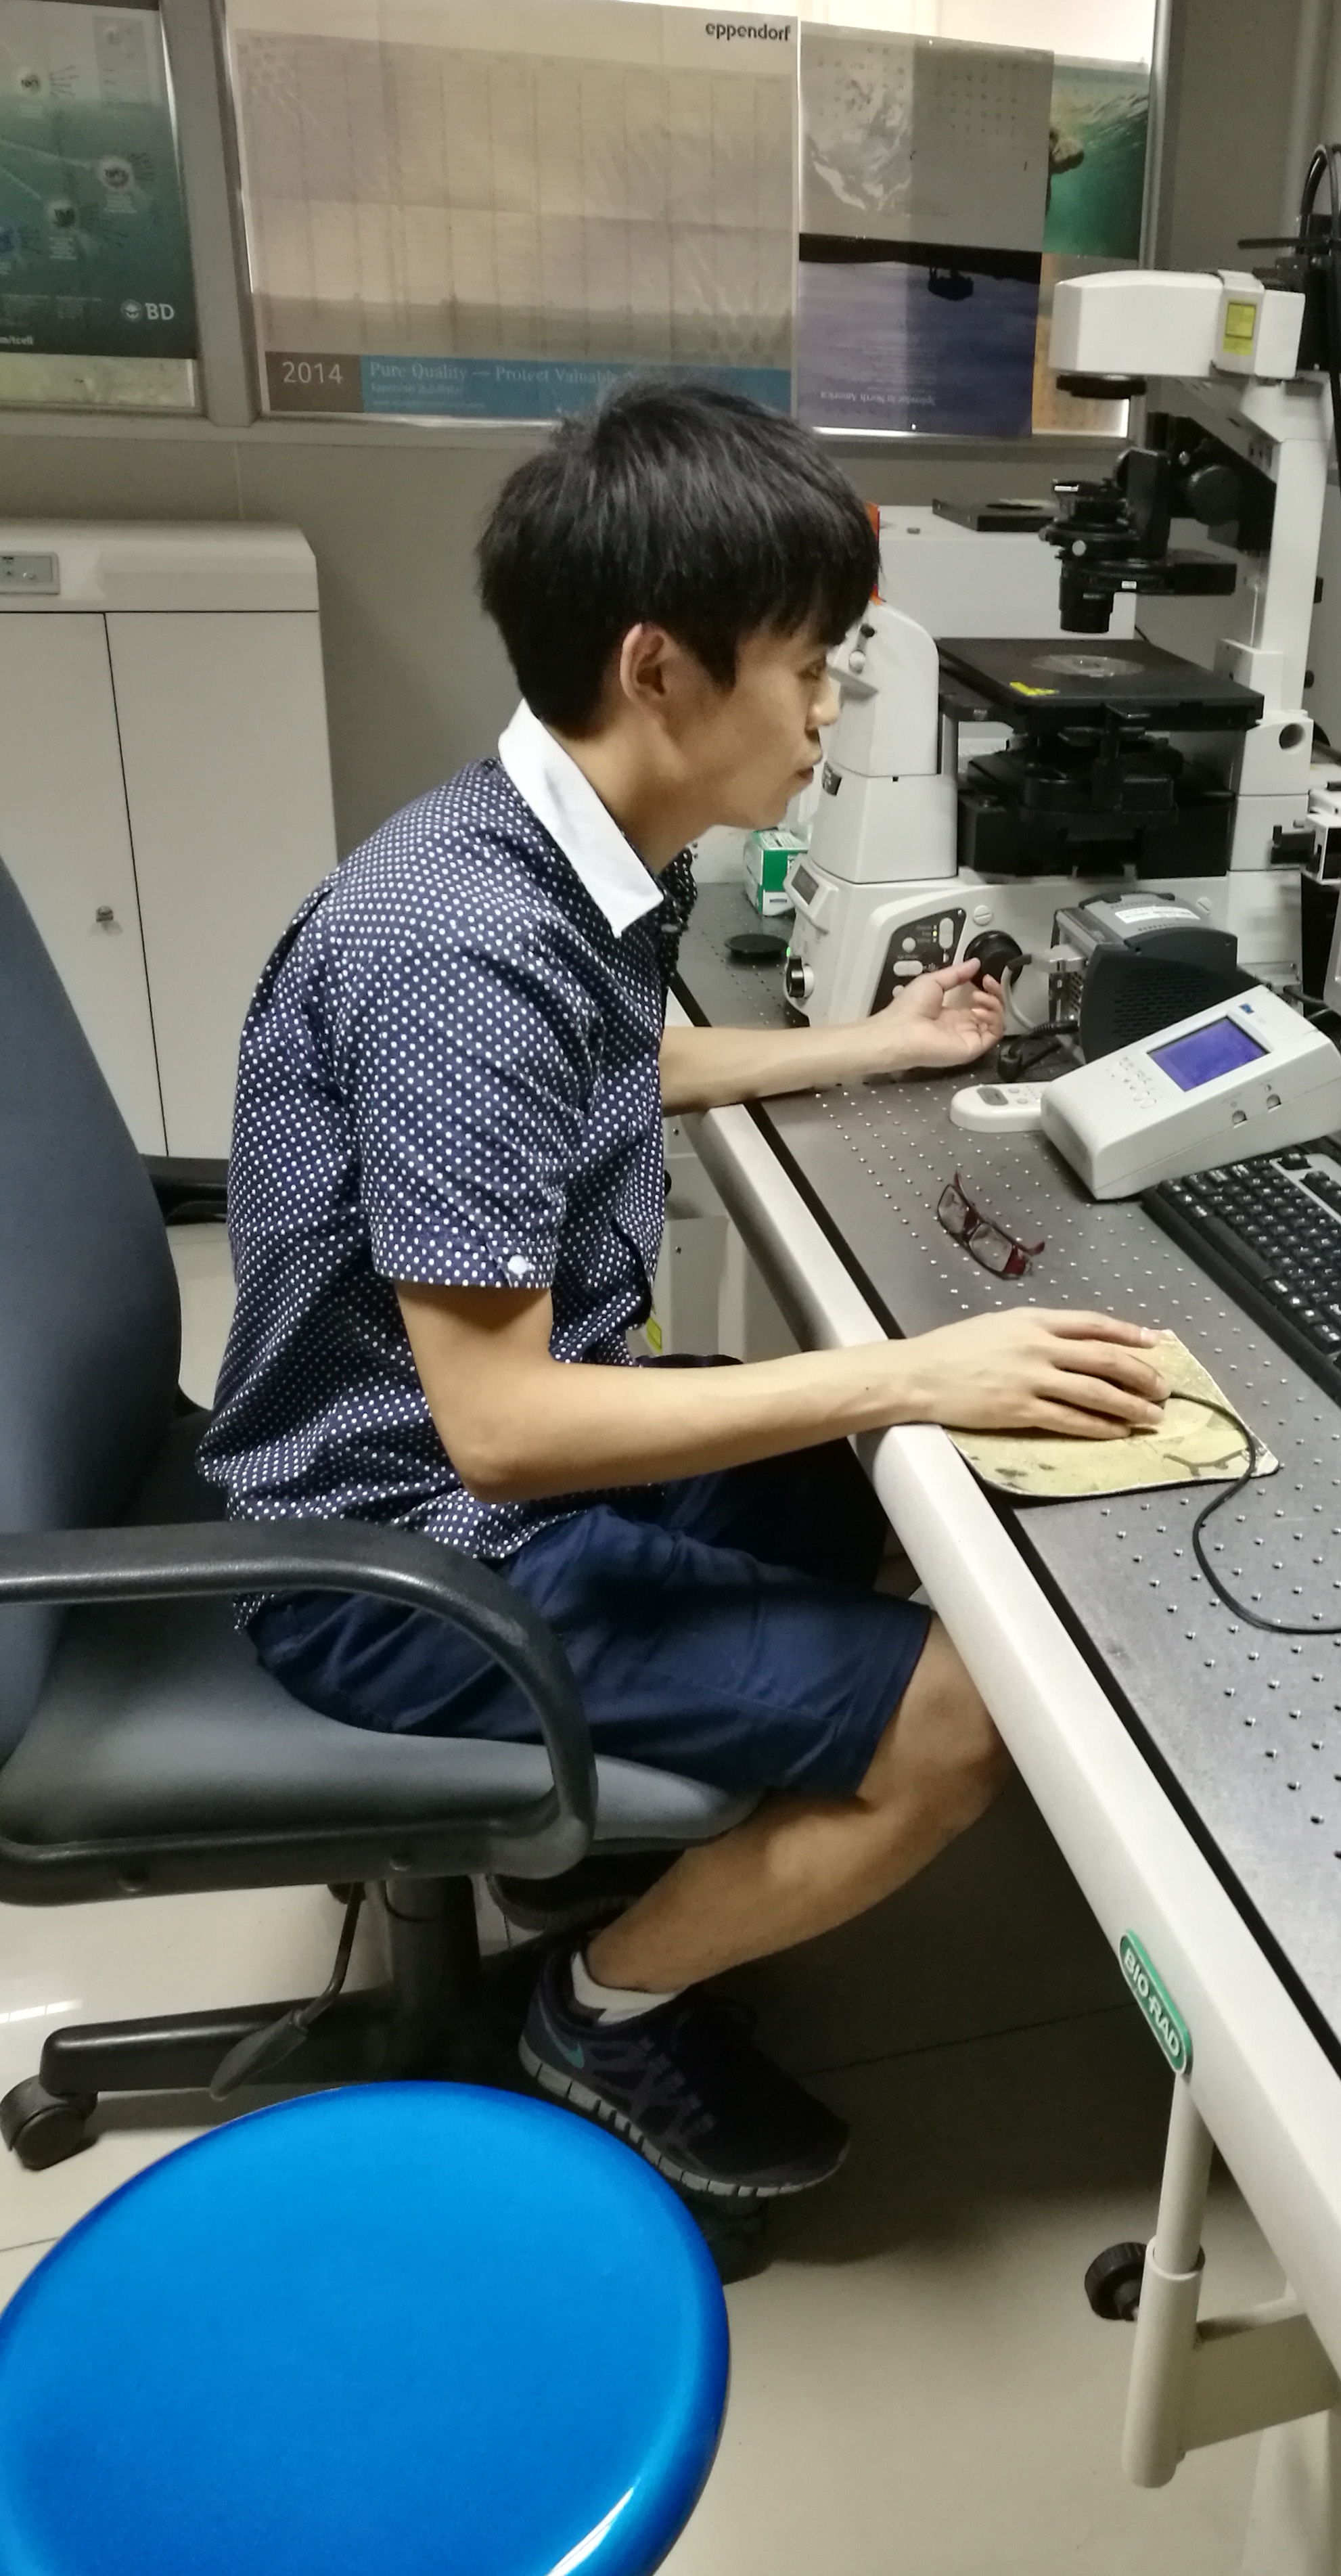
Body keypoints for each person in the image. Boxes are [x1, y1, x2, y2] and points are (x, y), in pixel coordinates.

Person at [200, 380, 1168, 2203]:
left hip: (416, 1470)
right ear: (659, 668)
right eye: (807, 667)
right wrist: (911, 1369)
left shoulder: (529, 851)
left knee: (878, 1500)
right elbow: (503, 1431)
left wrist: (872, 1043)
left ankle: (658, 1838)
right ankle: (597, 2015)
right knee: (972, 1707)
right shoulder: (467, 947)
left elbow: (601, 1064)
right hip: (394, 1555)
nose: (827, 713)